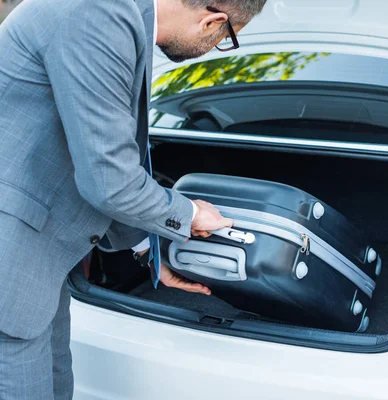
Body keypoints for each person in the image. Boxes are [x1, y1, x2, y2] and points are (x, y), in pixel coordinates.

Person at [0, 0, 266, 398]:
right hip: (12, 258)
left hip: (37, 260)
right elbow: (109, 179)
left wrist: (147, 252)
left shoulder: (121, 17)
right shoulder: (97, 14)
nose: (215, 47)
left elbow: (101, 150)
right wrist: (190, 213)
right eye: (225, 41)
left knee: (56, 387)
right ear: (214, 20)